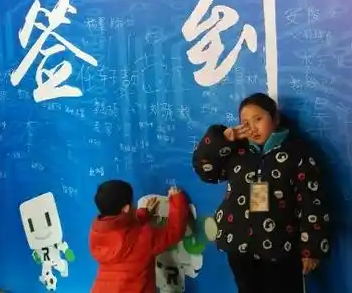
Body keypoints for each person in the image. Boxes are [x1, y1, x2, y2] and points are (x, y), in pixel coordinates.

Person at [192, 93, 331, 293]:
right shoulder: (236, 151)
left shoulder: (297, 152)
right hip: (240, 244)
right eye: (245, 123)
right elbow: (205, 169)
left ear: (275, 118)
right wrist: (224, 138)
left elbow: (311, 201)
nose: (253, 128)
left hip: (280, 246)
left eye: (258, 119)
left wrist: (311, 248)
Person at [89, 181, 189, 293]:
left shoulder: (97, 233)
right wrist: (177, 200)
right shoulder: (143, 237)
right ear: (126, 208)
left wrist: (143, 214)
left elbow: (122, 231)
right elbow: (174, 232)